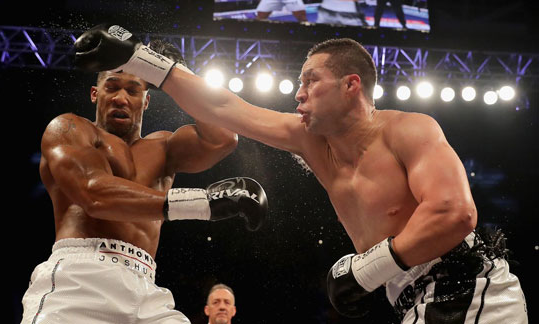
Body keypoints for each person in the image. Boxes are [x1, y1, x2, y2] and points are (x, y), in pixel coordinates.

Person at [74, 24, 528, 323]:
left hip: (467, 285)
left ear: (352, 85)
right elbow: (224, 107)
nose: (299, 91)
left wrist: (366, 271)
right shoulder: (310, 141)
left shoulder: (409, 130)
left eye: (311, 80)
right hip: (413, 299)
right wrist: (139, 59)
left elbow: (454, 214)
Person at [20, 36, 268, 324]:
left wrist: (172, 73)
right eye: (111, 87)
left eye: (132, 90)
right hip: (80, 279)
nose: (121, 97)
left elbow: (224, 137)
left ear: (147, 100)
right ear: (94, 94)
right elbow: (94, 194)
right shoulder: (69, 129)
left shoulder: (165, 147)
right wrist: (201, 203)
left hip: (146, 287)